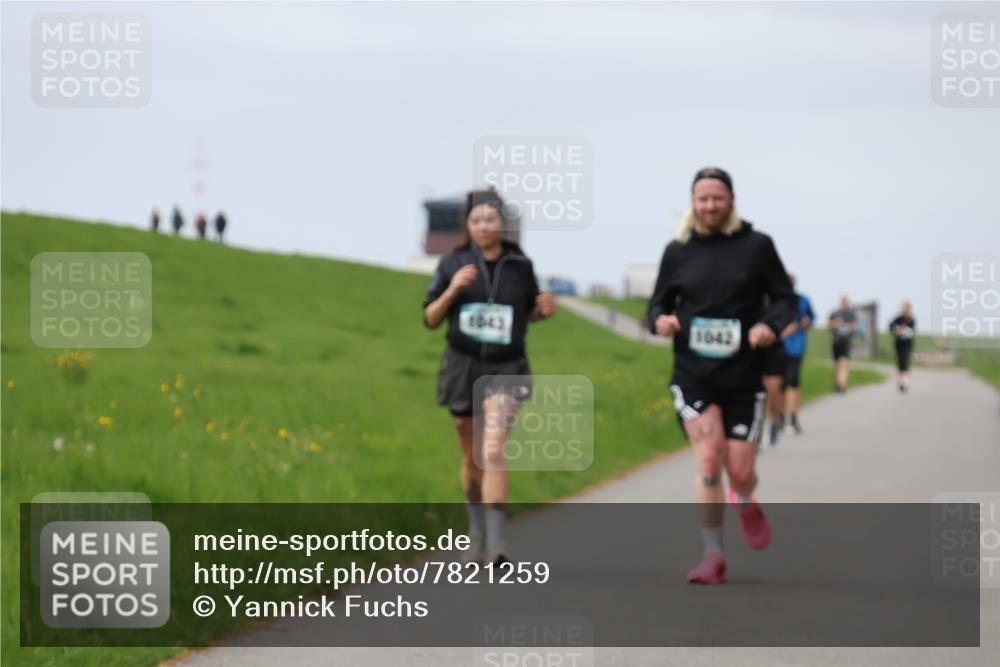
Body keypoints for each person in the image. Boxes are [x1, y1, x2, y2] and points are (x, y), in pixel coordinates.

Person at [647, 167, 795, 584]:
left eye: (717, 197)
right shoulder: (678, 251)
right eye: (702, 198)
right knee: (709, 459)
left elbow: (784, 299)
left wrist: (769, 326)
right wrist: (660, 321)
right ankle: (712, 555)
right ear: (692, 203)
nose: (709, 205)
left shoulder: (757, 246)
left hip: (744, 377)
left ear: (731, 200)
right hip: (693, 373)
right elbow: (656, 305)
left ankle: (745, 500)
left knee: (740, 469)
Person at [423, 189, 556, 566]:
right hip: (462, 364)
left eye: (491, 219)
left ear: (503, 223)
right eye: (476, 220)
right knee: (471, 456)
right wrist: (452, 290)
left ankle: (497, 545)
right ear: (467, 224)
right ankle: (476, 534)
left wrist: (542, 311)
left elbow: (527, 313)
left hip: (506, 366)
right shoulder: (453, 261)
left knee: (493, 447)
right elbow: (430, 319)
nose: (484, 226)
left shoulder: (520, 264)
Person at [781, 275, 815, 433]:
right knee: (778, 384)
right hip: (778, 348)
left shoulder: (803, 300)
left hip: (796, 346)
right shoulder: (778, 300)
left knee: (793, 382)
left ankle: (793, 418)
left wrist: (807, 322)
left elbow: (811, 317)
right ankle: (779, 418)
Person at [761, 296, 792, 447]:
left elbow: (791, 326)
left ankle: (774, 422)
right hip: (757, 354)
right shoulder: (750, 303)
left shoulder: (778, 306)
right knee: (760, 396)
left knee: (772, 394)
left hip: (775, 355)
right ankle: (757, 431)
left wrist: (773, 336)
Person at [827, 296, 857, 393]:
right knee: (836, 364)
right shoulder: (834, 313)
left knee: (844, 362)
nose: (844, 303)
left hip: (846, 341)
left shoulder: (851, 314)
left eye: (846, 302)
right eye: (843, 302)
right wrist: (835, 323)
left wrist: (848, 327)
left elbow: (854, 327)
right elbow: (828, 327)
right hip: (836, 341)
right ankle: (837, 382)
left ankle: (842, 385)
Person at [889, 300, 916, 393]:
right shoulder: (898, 318)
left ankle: (905, 383)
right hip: (899, 343)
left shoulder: (911, 319)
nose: (903, 309)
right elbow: (891, 326)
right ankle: (901, 382)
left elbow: (912, 332)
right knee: (900, 363)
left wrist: (903, 329)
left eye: (904, 307)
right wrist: (896, 329)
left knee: (905, 362)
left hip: (907, 344)